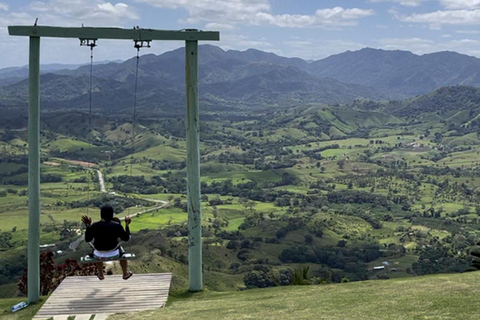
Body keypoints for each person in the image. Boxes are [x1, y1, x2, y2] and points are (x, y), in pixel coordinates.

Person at [81, 205, 133, 280]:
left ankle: (101, 274)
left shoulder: (94, 226)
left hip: (98, 255)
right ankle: (125, 273)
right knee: (121, 250)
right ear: (112, 214)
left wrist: (88, 226)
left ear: (101, 214)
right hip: (114, 253)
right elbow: (126, 238)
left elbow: (88, 239)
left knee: (95, 249)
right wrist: (127, 225)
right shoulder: (117, 226)